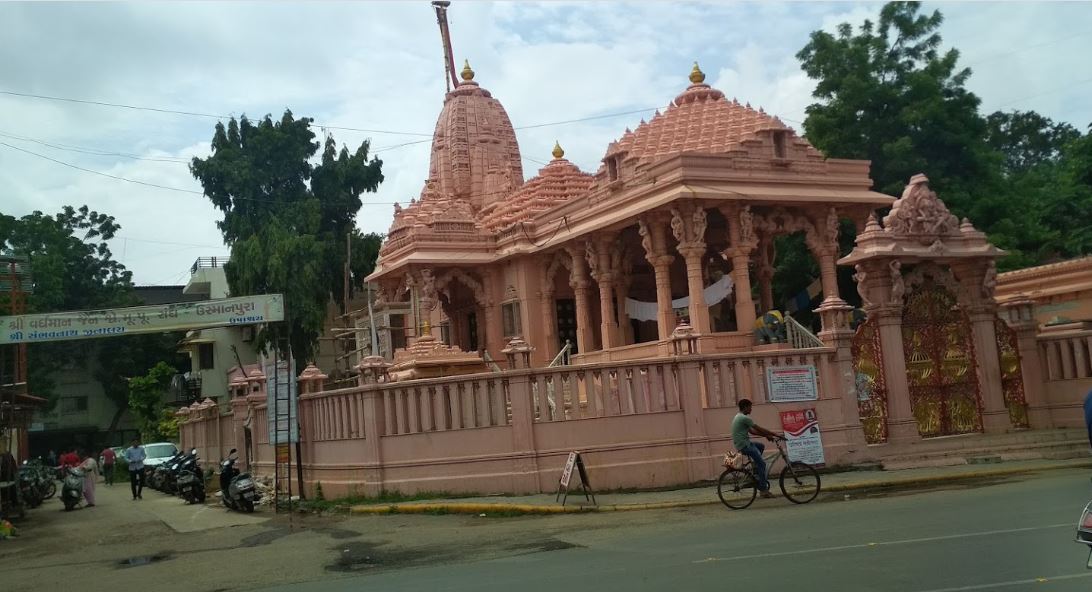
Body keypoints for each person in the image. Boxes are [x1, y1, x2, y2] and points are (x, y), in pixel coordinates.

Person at [732, 398, 785, 499]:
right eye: (750, 407)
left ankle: (756, 469)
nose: (751, 410)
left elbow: (752, 432)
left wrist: (767, 436)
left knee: (761, 446)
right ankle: (763, 490)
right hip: (745, 445)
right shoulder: (744, 418)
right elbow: (758, 428)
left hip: (742, 443)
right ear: (746, 407)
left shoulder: (739, 416)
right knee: (762, 464)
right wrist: (775, 434)